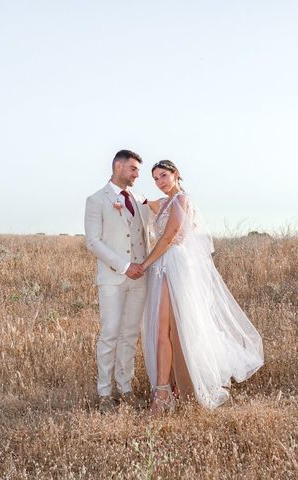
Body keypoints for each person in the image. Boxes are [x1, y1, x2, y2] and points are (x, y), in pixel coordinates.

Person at [141, 160, 264, 414]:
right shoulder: (163, 203)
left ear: (176, 175)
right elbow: (142, 203)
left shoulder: (181, 201)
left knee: (172, 328)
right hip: (162, 266)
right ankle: (165, 389)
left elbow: (168, 236)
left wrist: (144, 264)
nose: (159, 182)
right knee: (162, 329)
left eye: (163, 176)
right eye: (155, 179)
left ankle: (168, 392)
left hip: (173, 263)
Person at [84, 149, 151, 413]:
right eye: (133, 169)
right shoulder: (96, 200)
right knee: (110, 333)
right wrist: (125, 266)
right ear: (118, 166)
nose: (137, 174)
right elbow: (93, 242)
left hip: (140, 278)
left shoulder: (141, 198)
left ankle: (125, 389)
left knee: (130, 335)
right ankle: (104, 393)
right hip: (113, 278)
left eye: (138, 170)